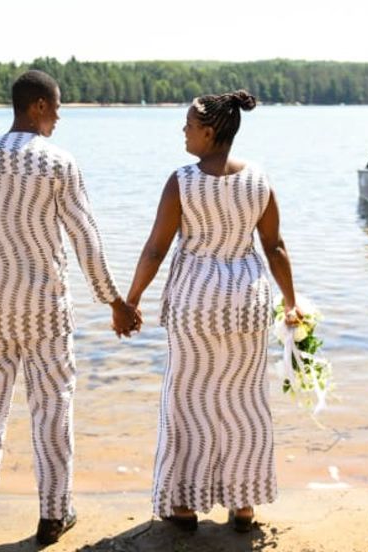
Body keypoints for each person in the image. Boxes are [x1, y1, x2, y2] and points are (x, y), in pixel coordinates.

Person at [0, 69, 140, 545]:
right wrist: (113, 300)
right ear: (37, 105)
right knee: (52, 412)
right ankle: (53, 516)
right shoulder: (58, 163)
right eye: (56, 106)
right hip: (46, 313)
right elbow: (85, 239)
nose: (58, 116)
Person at [124, 90, 303, 532]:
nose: (182, 132)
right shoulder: (259, 179)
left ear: (208, 132)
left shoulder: (182, 181)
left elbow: (156, 248)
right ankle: (243, 506)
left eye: (188, 125)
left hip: (196, 304)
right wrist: (291, 301)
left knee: (187, 402)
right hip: (247, 303)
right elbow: (274, 246)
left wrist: (131, 300)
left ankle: (184, 505)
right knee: (243, 402)